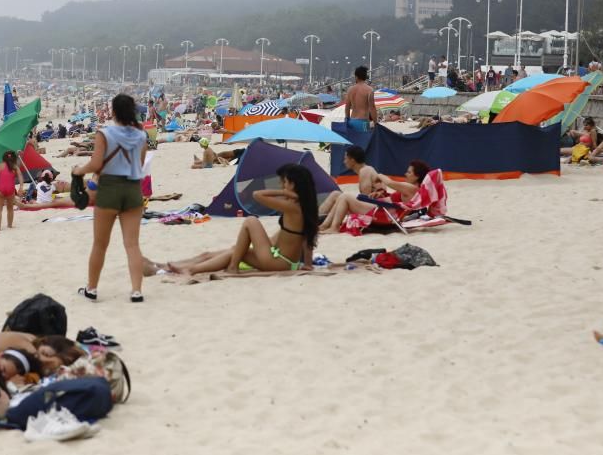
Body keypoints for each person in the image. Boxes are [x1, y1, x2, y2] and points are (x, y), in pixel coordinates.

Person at [164, 163, 318, 275]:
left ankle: (200, 269)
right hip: (283, 260)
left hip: (279, 262)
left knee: (251, 221)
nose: (281, 185)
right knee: (233, 250)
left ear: (294, 184)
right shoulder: (302, 206)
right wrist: (308, 264)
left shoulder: (294, 207)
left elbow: (257, 195)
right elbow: (307, 237)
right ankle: (184, 265)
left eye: (284, 182)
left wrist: (287, 194)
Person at [72, 93, 148, 303]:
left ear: (113, 111)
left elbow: (96, 165)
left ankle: (92, 288)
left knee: (100, 244)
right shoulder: (141, 135)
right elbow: (140, 165)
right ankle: (136, 291)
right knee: (132, 244)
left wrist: (79, 171)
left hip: (109, 189)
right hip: (133, 189)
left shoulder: (104, 133)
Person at [318, 146, 379, 232]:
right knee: (336, 194)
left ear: (352, 160)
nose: (344, 162)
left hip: (376, 210)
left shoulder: (365, 171)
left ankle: (332, 227)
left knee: (344, 197)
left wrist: (345, 204)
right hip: (372, 206)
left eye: (345, 158)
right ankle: (318, 221)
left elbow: (366, 199)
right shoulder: (365, 170)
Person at [343, 66, 378, 132]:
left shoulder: (350, 90)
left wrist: (347, 120)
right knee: (364, 141)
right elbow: (372, 107)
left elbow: (347, 107)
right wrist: (375, 122)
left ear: (356, 77)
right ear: (365, 77)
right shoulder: (369, 90)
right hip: (363, 122)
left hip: (352, 121)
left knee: (354, 141)